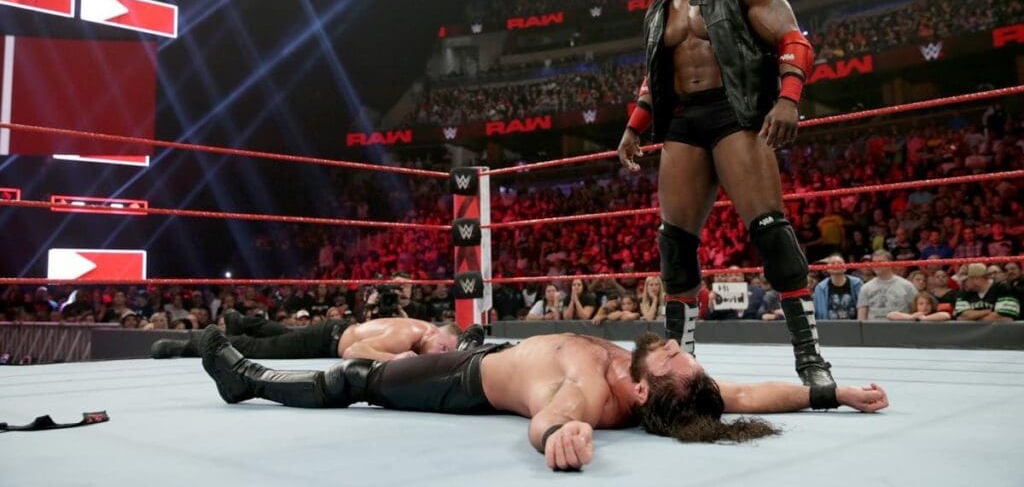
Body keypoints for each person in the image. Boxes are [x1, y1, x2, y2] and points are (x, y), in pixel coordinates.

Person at [616, 0, 831, 386]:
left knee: (770, 232)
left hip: (735, 111)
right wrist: (634, 127)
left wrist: (789, 99)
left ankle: (811, 359)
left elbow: (792, 39)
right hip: (681, 122)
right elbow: (656, 77)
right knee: (674, 244)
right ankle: (679, 368)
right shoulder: (658, 11)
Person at [200, 328, 889, 471]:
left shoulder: (588, 391)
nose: (678, 349)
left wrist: (560, 439)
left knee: (356, 378)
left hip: (465, 379)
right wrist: (831, 393)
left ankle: (247, 379)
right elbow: (746, 393)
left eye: (676, 358)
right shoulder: (645, 375)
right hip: (503, 348)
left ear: (641, 390)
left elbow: (551, 418)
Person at [152, 312, 483, 361]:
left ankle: (244, 321)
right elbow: (354, 352)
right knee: (262, 350)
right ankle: (185, 346)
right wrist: (394, 358)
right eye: (443, 348)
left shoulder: (421, 329)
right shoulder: (405, 338)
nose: (440, 354)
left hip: (333, 331)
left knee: (286, 337)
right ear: (434, 332)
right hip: (331, 340)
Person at [856, 251, 917, 320]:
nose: (876, 265)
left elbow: (915, 311)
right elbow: (861, 317)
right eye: (874, 262)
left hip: (899, 326)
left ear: (890, 263)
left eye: (880, 261)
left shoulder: (907, 286)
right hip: (874, 326)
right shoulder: (866, 288)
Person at [954, 263, 1020, 322]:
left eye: (964, 280)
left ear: (976, 279)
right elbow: (962, 316)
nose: (961, 283)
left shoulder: (1002, 287)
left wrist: (973, 318)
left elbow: (1005, 316)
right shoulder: (965, 291)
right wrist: (988, 311)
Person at [812, 254, 863, 320]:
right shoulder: (820, 288)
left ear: (845, 267)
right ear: (828, 269)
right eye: (833, 263)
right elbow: (816, 312)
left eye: (839, 263)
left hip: (854, 324)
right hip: (828, 325)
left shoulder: (857, 283)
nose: (836, 265)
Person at [886, 294, 951, 322]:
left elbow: (946, 315)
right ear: (916, 305)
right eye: (921, 304)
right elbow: (890, 315)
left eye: (928, 303)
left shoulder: (934, 314)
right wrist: (910, 317)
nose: (925, 306)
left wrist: (925, 318)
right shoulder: (913, 315)